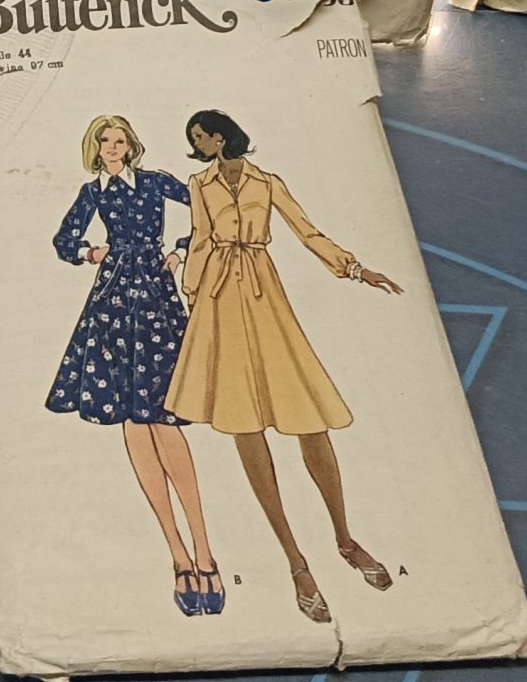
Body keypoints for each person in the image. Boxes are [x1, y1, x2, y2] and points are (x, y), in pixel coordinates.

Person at [166, 109, 404, 626]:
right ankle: (296, 562)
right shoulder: (199, 185)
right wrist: (191, 300)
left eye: (200, 136)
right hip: (217, 302)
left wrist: (355, 268)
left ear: (220, 137)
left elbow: (307, 232)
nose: (197, 144)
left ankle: (345, 540)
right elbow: (201, 240)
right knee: (245, 427)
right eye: (193, 139)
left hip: (264, 292)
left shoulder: (267, 181)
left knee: (309, 420)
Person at [47, 116, 220, 616]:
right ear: (95, 147)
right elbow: (64, 241)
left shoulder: (155, 182)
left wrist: (181, 250)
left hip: (156, 294)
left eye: (119, 140)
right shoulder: (93, 192)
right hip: (112, 299)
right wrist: (90, 252)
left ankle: (205, 551)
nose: (112, 147)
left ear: (131, 145)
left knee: (163, 417)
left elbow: (205, 207)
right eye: (104, 141)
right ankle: (179, 555)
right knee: (133, 417)